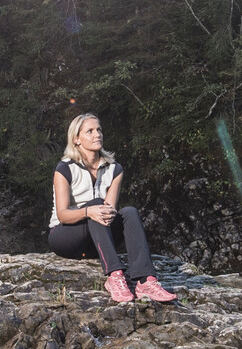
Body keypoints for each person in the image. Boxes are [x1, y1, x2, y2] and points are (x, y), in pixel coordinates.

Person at [48, 113, 177, 303]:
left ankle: (145, 281)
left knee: (129, 212)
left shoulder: (114, 169)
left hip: (98, 239)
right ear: (76, 139)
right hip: (65, 236)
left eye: (99, 130)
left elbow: (109, 212)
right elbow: (63, 214)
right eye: (90, 131)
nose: (97, 134)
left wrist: (96, 211)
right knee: (96, 205)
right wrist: (87, 211)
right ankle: (115, 276)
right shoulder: (65, 168)